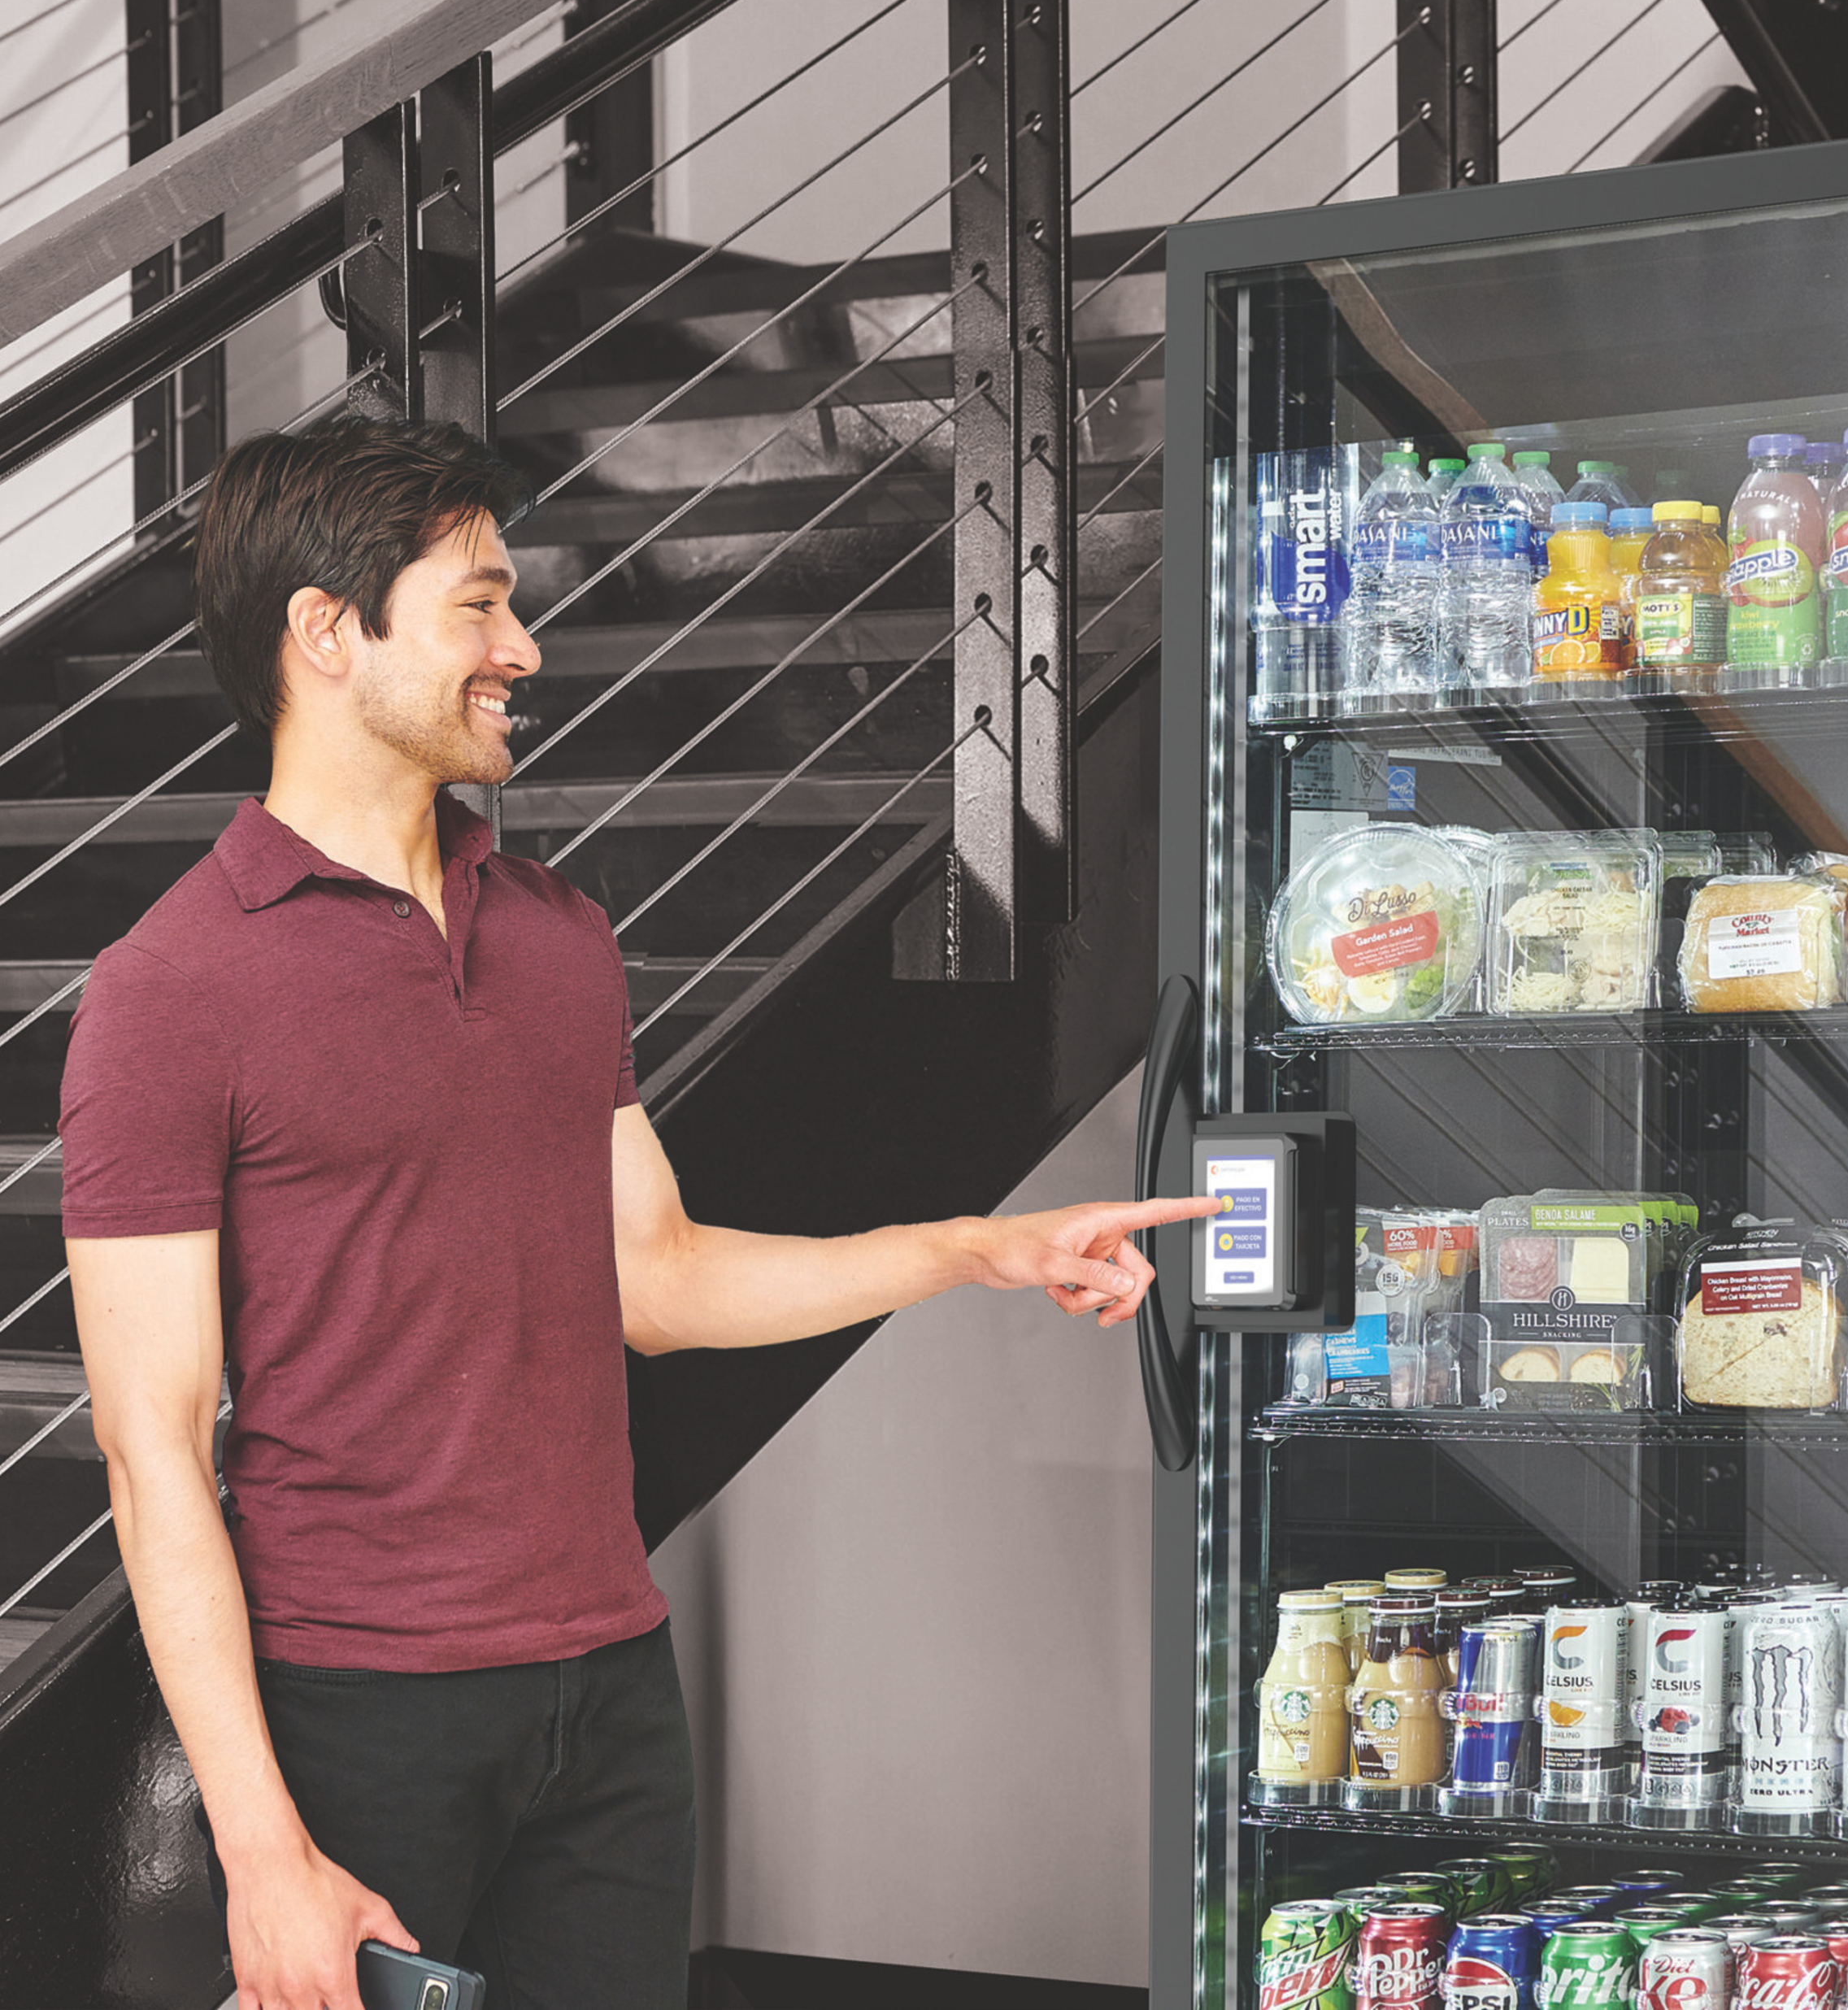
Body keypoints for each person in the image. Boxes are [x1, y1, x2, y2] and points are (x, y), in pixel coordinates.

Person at [60, 418, 1212, 2010]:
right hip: (355, 1712)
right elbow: (152, 1446)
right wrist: (262, 1851)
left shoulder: (557, 937)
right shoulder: (171, 993)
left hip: (603, 1693)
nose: (522, 648)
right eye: (476, 605)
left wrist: (975, 1247)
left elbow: (657, 1277)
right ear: (325, 633)